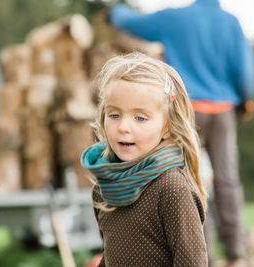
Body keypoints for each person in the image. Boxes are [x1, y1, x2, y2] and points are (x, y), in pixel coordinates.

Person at [107, 0, 254, 264]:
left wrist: (114, 12)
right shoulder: (230, 22)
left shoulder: (175, 19)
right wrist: (245, 98)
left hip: (187, 109)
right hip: (222, 109)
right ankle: (235, 251)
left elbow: (132, 22)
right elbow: (243, 71)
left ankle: (204, 253)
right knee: (226, 178)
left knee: (190, 179)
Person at [80, 52, 208, 267]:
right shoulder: (106, 188)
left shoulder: (171, 189)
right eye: (114, 115)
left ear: (167, 126)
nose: (123, 127)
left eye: (140, 118)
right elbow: (111, 257)